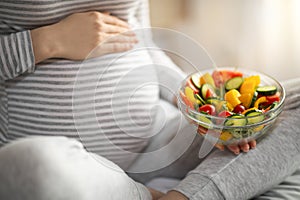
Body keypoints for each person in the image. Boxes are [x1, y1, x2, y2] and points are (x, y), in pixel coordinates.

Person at [0, 0, 299, 199]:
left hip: (158, 139)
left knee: (292, 104)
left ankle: (181, 197)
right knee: (34, 166)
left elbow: (137, 39)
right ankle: (141, 192)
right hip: (66, 160)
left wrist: (200, 110)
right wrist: (47, 41)